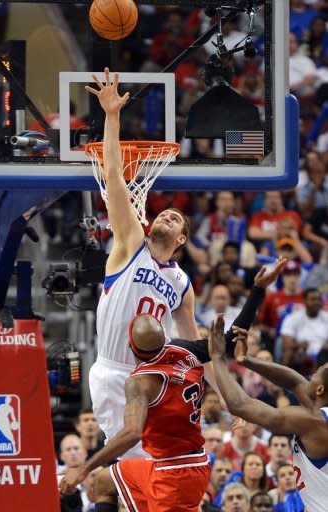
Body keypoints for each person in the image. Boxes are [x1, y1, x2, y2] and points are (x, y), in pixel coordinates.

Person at [84, 68, 285, 458]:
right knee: (132, 469)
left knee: (159, 467)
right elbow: (113, 178)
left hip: (152, 376)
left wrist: (227, 400)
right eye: (164, 214)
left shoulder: (181, 284)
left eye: (176, 219)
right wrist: (111, 116)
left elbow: (200, 347)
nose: (166, 216)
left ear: (181, 241)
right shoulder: (130, 244)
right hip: (112, 373)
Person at [60, 314, 213, 510]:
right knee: (103, 482)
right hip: (175, 463)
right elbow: (229, 341)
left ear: (131, 347)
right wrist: (257, 291)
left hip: (175, 474)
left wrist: (83, 469)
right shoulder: (184, 350)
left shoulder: (140, 382)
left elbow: (132, 433)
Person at [208, 315, 328, 512]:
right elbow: (294, 382)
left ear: (320, 390)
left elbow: (240, 405)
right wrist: (246, 360)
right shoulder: (319, 411)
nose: (309, 378)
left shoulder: (313, 421)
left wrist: (219, 358)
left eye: (314, 376)